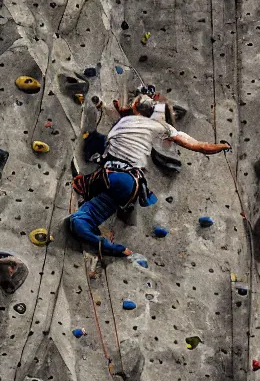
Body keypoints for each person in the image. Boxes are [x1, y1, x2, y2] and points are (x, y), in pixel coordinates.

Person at [69, 93, 230, 259]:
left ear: (135, 109)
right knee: (83, 217)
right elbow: (200, 146)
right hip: (128, 182)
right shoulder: (162, 127)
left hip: (108, 174)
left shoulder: (125, 120)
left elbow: (136, 110)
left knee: (79, 220)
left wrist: (128, 107)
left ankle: (107, 234)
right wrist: (222, 146)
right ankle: (116, 241)